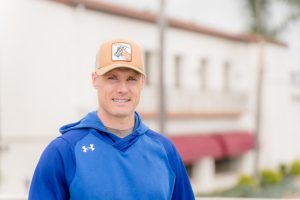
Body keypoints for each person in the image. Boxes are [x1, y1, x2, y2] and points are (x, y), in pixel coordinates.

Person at [29, 39, 195, 200]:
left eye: (131, 79)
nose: (122, 89)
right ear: (95, 80)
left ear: (142, 82)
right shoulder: (64, 151)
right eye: (112, 78)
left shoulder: (165, 150)